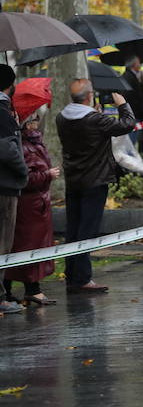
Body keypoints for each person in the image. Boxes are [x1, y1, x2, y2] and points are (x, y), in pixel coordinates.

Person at [57, 79, 135, 293]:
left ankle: (72, 274)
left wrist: (96, 114)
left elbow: (87, 127)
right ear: (90, 96)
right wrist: (122, 105)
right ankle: (83, 278)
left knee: (73, 229)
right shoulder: (95, 120)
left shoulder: (61, 118)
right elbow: (127, 124)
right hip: (95, 180)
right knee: (87, 230)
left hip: (74, 180)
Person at [3, 105, 58, 306]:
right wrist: (47, 175)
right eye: (33, 119)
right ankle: (30, 290)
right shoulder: (24, 145)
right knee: (28, 247)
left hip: (37, 205)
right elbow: (26, 176)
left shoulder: (33, 142)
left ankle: (13, 289)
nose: (36, 123)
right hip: (31, 207)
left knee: (24, 246)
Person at [0, 64, 27, 314]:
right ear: (10, 85)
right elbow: (7, 150)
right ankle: (0, 297)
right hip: (5, 187)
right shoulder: (3, 114)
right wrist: (23, 172)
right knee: (2, 244)